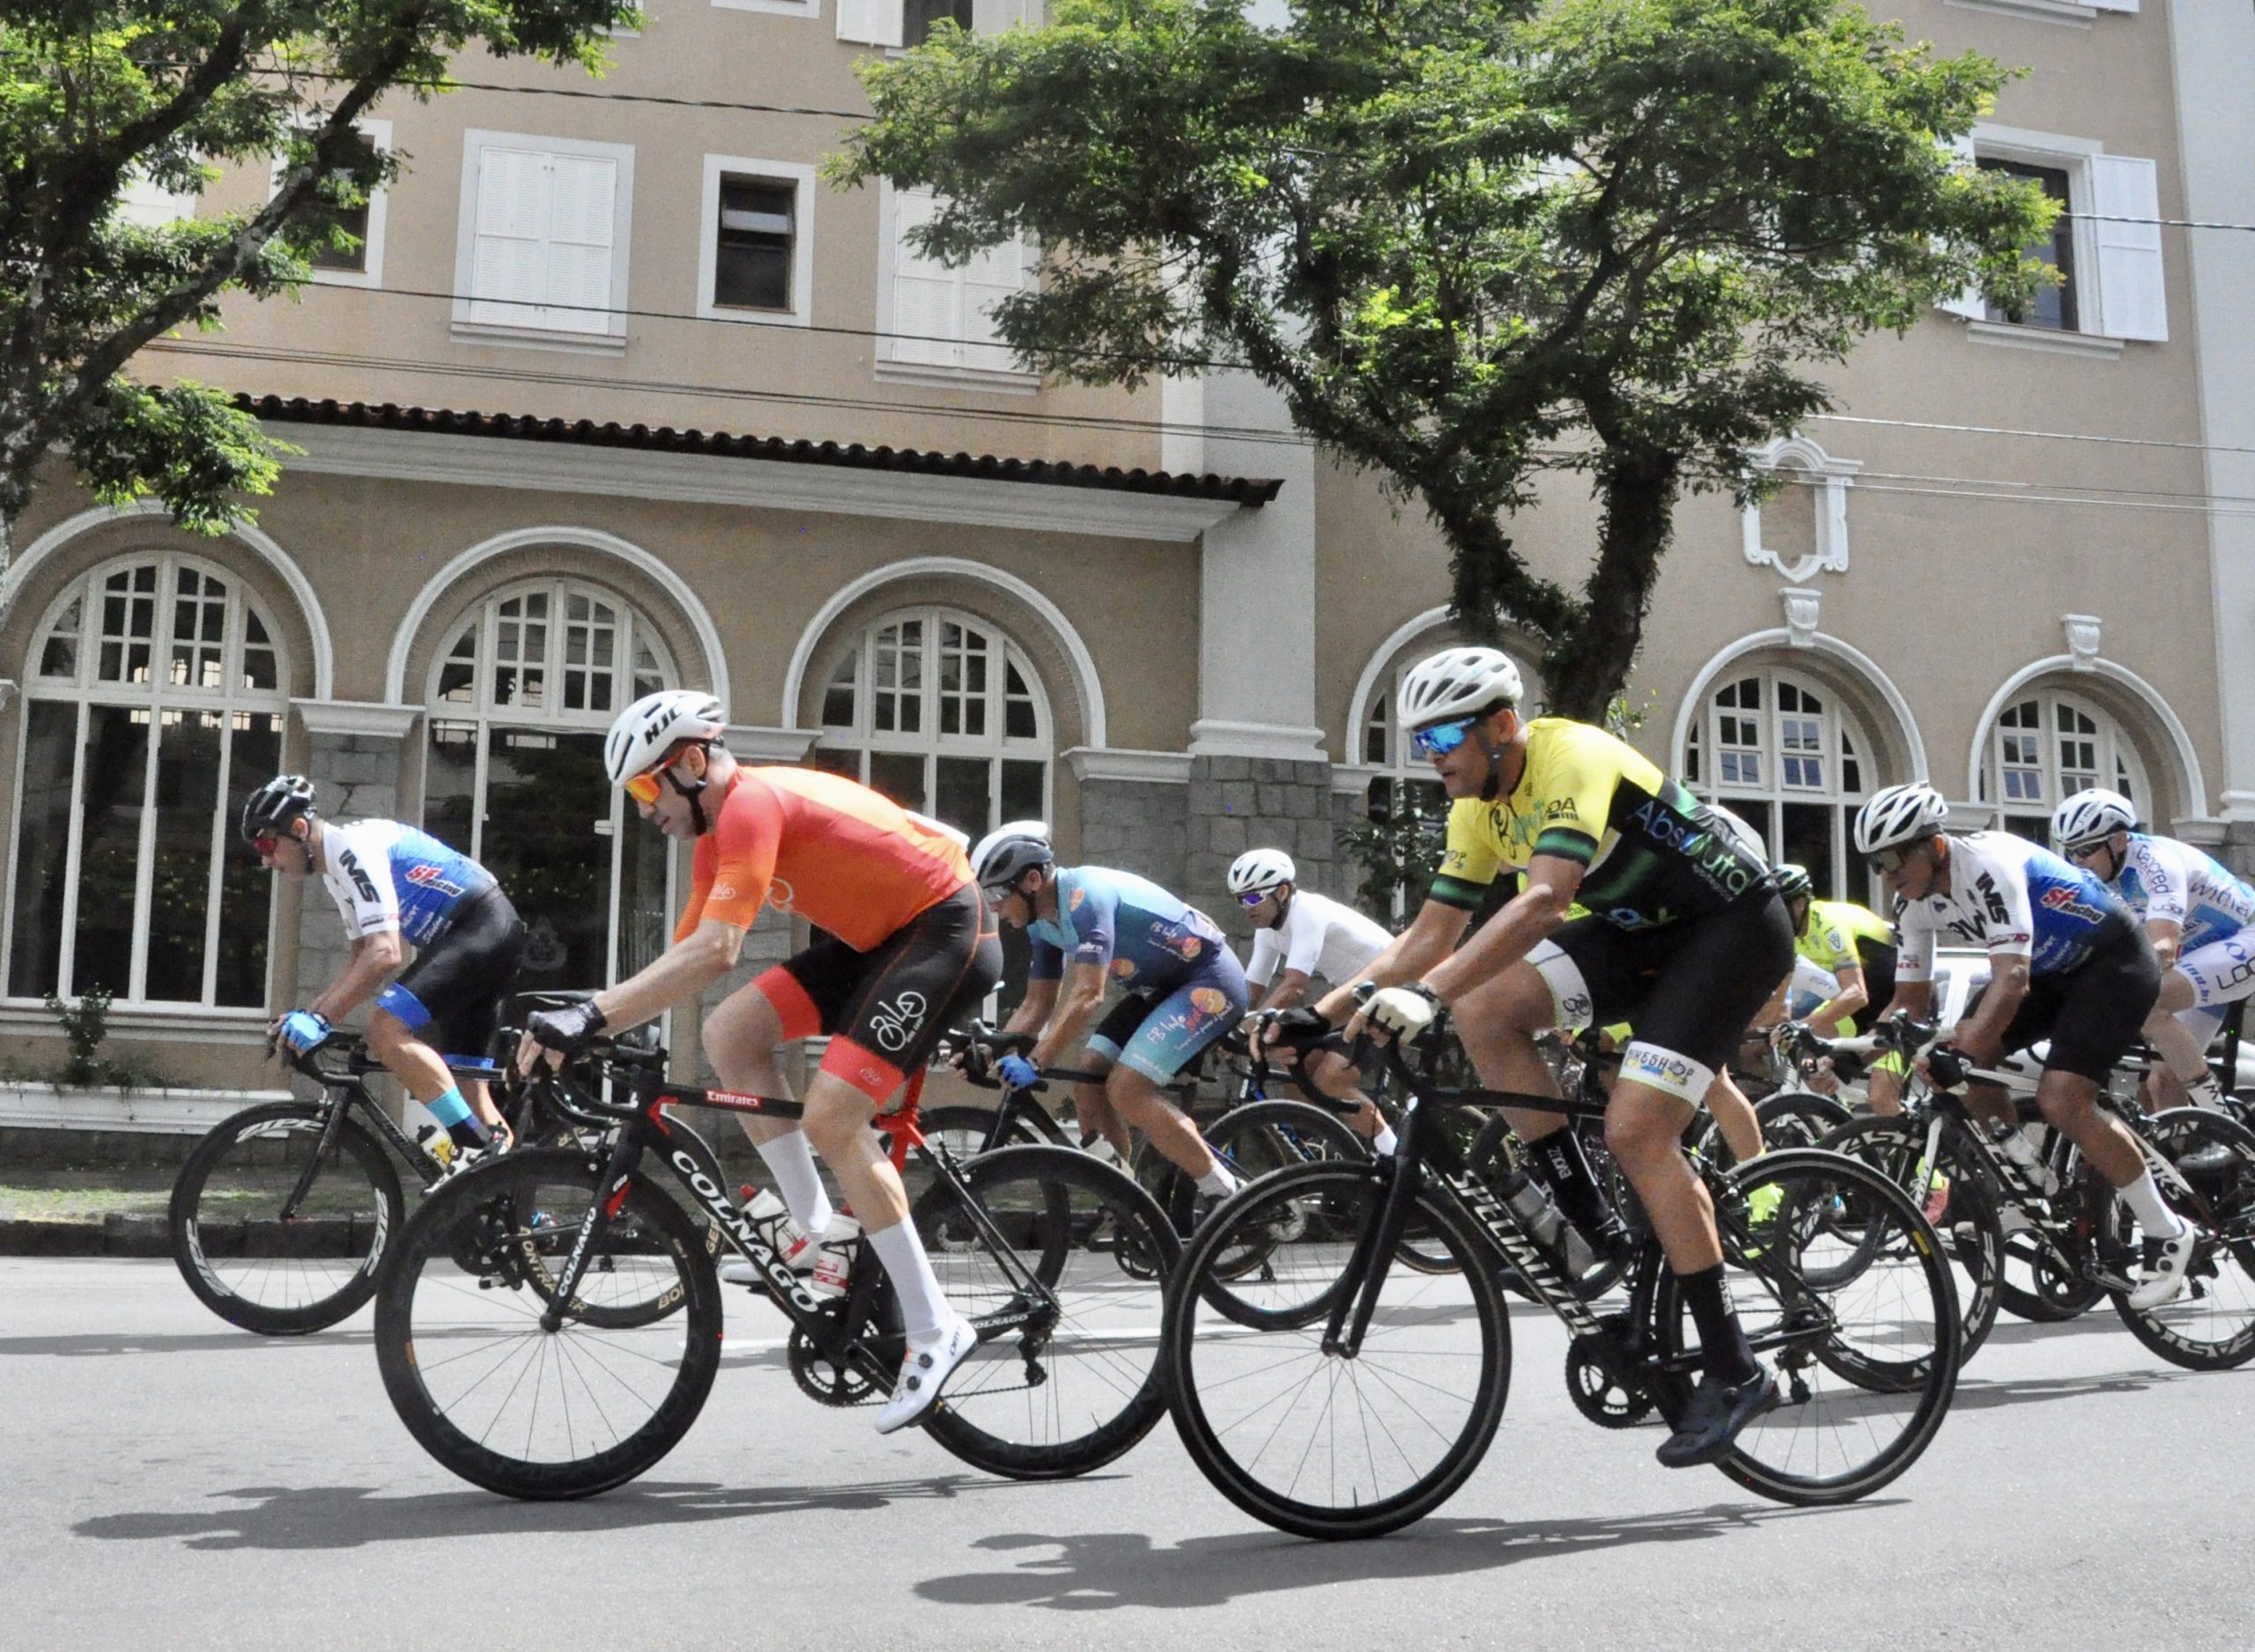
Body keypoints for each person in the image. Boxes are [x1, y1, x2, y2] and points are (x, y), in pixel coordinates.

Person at [1319, 645, 1794, 1467]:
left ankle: (1733, 1365)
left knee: (1639, 1131)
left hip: (1731, 930)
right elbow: (1431, 935)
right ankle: (1591, 1222)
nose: (1432, 759)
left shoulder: (1570, 753)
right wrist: (1318, 1016)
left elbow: (1544, 901)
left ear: (1504, 726)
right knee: (1485, 1010)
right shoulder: (1476, 803)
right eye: (1421, 744)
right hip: (1640, 936)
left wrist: (1422, 995)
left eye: (1443, 740)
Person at [516, 690, 1001, 1434]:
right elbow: (687, 960)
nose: (647, 809)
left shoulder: (749, 804)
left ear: (693, 763)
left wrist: (589, 1018)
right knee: (731, 1036)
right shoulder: (717, 835)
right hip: (884, 940)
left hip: (943, 928)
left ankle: (937, 1329)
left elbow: (719, 950)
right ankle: (814, 1231)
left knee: (834, 1117)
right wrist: (597, 1020)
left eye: (649, 788)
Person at [1855, 781, 2192, 1310]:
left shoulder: (1988, 865)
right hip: (2053, 973)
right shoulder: (1912, 906)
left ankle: (2166, 1229)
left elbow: (2011, 980)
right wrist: (1849, 1050)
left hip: (2112, 965)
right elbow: (1908, 1003)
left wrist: (1962, 1054)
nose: (1887, 875)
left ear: (1934, 845)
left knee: (2061, 1099)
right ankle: (2028, 1174)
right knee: (1967, 1058)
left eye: (1894, 858)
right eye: (1876, 862)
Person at [244, 774, 522, 1158]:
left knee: (383, 1027)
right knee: (469, 1089)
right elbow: (360, 956)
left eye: (267, 844)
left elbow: (386, 953)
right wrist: (310, 1015)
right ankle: (519, 1210)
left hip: (480, 927)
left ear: (299, 829)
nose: (265, 859)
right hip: (476, 935)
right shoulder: (335, 872)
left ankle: (471, 1149)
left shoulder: (349, 849)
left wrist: (322, 1019)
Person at [974, 826, 1246, 1198]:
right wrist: (993, 1048)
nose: (993, 906)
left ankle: (1228, 1193)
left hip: (1210, 980)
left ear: (1033, 880)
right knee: (1089, 1084)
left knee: (1127, 1089)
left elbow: (1088, 994)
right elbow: (1037, 1004)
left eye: (997, 893)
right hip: (1163, 989)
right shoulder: (1042, 924)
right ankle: (1128, 1202)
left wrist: (1036, 1062)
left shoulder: (1086, 898)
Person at [2052, 787, 2255, 1112]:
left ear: (2118, 841)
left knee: (2150, 1005)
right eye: (2070, 851)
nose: (2077, 861)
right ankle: (2180, 1158)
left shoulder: (2156, 861)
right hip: (2201, 958)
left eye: (2087, 849)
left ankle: (2222, 1121)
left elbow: (2162, 947)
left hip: (2245, 937)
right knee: (2163, 1080)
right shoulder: (2099, 879)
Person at [1230, 847, 1399, 1150]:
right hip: (1356, 998)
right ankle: (1320, 1156)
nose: (1246, 907)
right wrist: (1227, 1027)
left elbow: (1294, 986)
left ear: (1282, 892)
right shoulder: (1267, 930)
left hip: (1394, 990)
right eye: (1240, 899)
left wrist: (1251, 1029)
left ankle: (1397, 1158)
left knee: (1332, 1079)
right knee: (1297, 1063)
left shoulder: (1307, 912)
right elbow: (1251, 992)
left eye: (1253, 897)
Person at [1760, 862, 1908, 1110]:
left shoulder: (1827, 924)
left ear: (1800, 902)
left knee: (1881, 1099)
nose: (1779, 918)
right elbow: (1780, 1004)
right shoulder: (1791, 937)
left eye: (1783, 909)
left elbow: (1857, 994)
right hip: (1863, 1010)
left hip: (1897, 1003)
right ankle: (1838, 1125)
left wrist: (1802, 1025)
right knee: (1813, 1069)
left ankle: (1918, 1146)